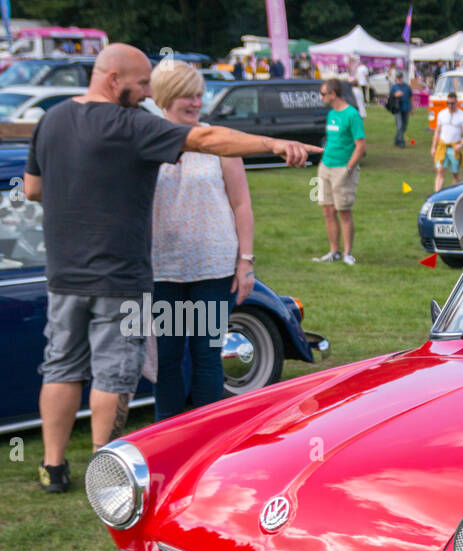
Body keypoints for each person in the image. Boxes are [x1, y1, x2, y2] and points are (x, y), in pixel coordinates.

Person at [23, 43, 317, 492]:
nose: (144, 94)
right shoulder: (134, 126)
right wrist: (273, 143)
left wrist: (244, 261)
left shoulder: (55, 119)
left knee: (74, 366)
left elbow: (32, 189)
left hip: (103, 269)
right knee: (129, 370)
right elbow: (203, 140)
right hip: (137, 272)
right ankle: (124, 461)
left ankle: (60, 466)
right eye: (141, 85)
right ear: (116, 80)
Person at [148, 59, 254, 422]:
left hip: (212, 266)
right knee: (168, 355)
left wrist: (246, 262)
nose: (195, 103)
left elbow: (241, 203)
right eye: (185, 97)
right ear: (165, 97)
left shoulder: (219, 142)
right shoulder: (145, 139)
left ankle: (207, 432)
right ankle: (167, 430)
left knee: (207, 353)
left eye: (198, 96)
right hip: (163, 268)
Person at [314, 78, 366, 265]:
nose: (321, 97)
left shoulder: (352, 115)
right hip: (326, 166)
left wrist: (348, 168)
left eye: (323, 93)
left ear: (333, 94)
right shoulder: (331, 115)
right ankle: (333, 251)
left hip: (343, 168)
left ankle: (347, 253)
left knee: (343, 210)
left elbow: (361, 146)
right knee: (327, 210)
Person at [431, 91, 463, 191]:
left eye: (452, 103)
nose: (450, 105)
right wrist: (433, 147)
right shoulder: (442, 114)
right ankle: (437, 193)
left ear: (456, 102)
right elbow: (437, 131)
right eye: (448, 103)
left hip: (454, 147)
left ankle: (455, 192)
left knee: (455, 173)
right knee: (440, 170)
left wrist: (461, 144)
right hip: (442, 146)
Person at [386, 69, 413, 147]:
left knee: (404, 126)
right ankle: (401, 142)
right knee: (399, 125)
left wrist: (412, 108)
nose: (399, 79)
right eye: (398, 77)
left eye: (400, 77)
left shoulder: (407, 87)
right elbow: (390, 97)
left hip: (406, 108)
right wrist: (395, 95)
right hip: (398, 109)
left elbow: (411, 97)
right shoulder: (394, 87)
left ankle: (397, 139)